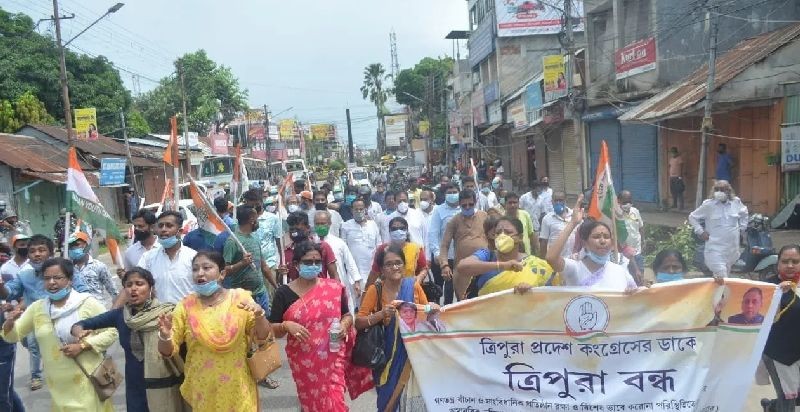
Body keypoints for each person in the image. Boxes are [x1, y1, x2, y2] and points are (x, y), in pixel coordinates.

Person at [156, 251, 270, 412]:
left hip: (238, 385)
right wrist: (165, 336)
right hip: (203, 387)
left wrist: (259, 315)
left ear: (222, 273)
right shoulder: (186, 306)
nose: (199, 273)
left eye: (206, 267)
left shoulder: (240, 299)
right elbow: (167, 351)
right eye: (195, 269)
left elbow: (262, 337)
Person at [1, 257, 118, 411]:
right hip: (57, 387)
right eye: (47, 278)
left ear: (69, 280)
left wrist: (84, 346)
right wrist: (9, 323)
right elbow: (12, 336)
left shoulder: (86, 303)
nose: (51, 282)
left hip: (88, 380)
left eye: (57, 278)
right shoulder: (38, 308)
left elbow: (112, 331)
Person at [269, 241, 373, 411]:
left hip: (333, 358)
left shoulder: (333, 288)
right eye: (308, 262)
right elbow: (271, 329)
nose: (313, 265)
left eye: (317, 262)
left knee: (335, 401)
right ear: (296, 264)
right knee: (311, 403)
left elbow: (347, 315)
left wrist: (344, 325)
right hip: (303, 361)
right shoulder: (283, 293)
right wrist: (286, 325)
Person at [71, 267, 185, 412]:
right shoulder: (119, 315)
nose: (133, 289)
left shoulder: (167, 314)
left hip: (164, 378)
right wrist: (79, 331)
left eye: (139, 284)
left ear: (150, 287)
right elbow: (81, 324)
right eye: (129, 285)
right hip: (135, 382)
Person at [0, 234, 90, 390]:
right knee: (34, 346)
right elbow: (9, 292)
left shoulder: (67, 270)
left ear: (51, 252)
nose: (37, 254)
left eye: (41, 250)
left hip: (67, 325)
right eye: (32, 251)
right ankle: (36, 376)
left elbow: (84, 294)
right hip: (38, 325)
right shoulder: (24, 276)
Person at [355, 244, 439, 411]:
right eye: (389, 264)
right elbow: (359, 322)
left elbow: (427, 314)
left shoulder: (413, 286)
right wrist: (380, 314)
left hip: (412, 355)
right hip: (386, 357)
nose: (395, 267)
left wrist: (433, 308)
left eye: (398, 262)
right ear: (381, 269)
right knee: (388, 400)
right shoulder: (375, 290)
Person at [545, 197, 637, 291]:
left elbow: (636, 299)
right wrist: (573, 223)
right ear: (585, 243)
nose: (602, 241)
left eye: (606, 237)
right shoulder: (575, 268)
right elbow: (551, 258)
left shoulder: (619, 271)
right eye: (596, 237)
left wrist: (632, 295)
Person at [458, 216, 559, 297]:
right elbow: (462, 267)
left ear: (519, 237)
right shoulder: (487, 255)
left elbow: (549, 298)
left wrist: (532, 292)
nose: (502, 236)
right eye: (498, 233)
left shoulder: (534, 265)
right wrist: (502, 265)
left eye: (508, 232)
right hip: (486, 319)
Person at [762, 244, 800, 411]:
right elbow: (761, 316)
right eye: (785, 261)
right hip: (779, 354)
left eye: (795, 261)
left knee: (796, 396)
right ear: (778, 264)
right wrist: (778, 293)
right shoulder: (769, 287)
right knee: (788, 399)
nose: (790, 265)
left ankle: (771, 407)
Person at [223, 206, 278, 317]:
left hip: (261, 294)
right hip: (242, 298)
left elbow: (264, 266)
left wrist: (276, 287)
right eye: (257, 218)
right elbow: (224, 271)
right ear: (252, 220)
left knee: (265, 329)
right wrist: (242, 263)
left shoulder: (255, 238)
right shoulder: (232, 241)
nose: (258, 221)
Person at [688, 180, 748, 281]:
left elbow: (744, 213)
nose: (719, 192)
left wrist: (742, 229)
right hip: (714, 249)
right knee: (722, 275)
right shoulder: (709, 205)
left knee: (723, 278)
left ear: (728, 191)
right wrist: (700, 231)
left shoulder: (736, 202)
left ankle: (719, 296)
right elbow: (692, 217)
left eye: (722, 189)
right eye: (717, 189)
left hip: (732, 250)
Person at [138, 211, 198, 304]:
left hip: (187, 315)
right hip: (159, 316)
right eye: (161, 226)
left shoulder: (193, 257)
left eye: (169, 226)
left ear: (180, 231)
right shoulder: (148, 258)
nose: (163, 229)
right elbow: (137, 281)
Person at [440, 189, 489, 300]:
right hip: (463, 271)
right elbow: (444, 245)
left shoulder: (484, 216)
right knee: (465, 304)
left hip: (483, 267)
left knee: (484, 302)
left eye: (470, 204)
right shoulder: (454, 221)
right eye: (464, 205)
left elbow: (493, 237)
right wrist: (444, 265)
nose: (467, 207)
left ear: (475, 202)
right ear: (459, 204)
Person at [314, 210, 363, 313]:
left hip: (340, 283)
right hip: (318, 287)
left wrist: (356, 282)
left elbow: (350, 262)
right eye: (317, 224)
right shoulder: (311, 243)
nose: (320, 226)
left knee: (345, 312)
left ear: (329, 224)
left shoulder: (339, 242)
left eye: (323, 223)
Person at [367, 216, 428, 286]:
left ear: (407, 231)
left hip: (410, 289)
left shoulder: (416, 249)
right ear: (389, 231)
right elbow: (375, 272)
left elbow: (424, 269)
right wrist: (366, 290)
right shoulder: (383, 249)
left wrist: (419, 278)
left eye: (402, 228)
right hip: (388, 289)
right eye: (394, 229)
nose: (398, 231)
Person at [279, 211, 339, 282]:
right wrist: (281, 273)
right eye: (292, 230)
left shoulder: (322, 247)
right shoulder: (286, 252)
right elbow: (282, 281)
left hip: (320, 291)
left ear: (308, 228)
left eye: (298, 229)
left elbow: (334, 276)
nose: (294, 233)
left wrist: (340, 292)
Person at [69, 231, 118, 307]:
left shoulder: (99, 266)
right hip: (76, 311)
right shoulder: (67, 268)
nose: (74, 248)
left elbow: (113, 290)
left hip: (97, 310)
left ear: (86, 245)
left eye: (77, 245)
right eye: (71, 246)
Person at [341, 199, 382, 286]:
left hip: (372, 273)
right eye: (356, 209)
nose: (359, 211)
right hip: (354, 275)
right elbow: (344, 250)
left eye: (361, 209)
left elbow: (379, 247)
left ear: (365, 210)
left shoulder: (373, 224)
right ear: (351, 210)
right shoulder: (345, 226)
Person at [539, 191, 577, 259]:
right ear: (552, 202)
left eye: (561, 200)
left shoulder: (574, 216)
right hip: (555, 259)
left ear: (565, 201)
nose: (558, 203)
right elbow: (544, 242)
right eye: (556, 200)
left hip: (573, 258)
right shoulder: (547, 219)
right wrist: (543, 260)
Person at [618, 190, 645, 275]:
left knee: (640, 274)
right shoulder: (616, 215)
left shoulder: (635, 211)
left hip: (637, 249)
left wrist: (643, 240)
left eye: (629, 201)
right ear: (619, 201)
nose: (627, 204)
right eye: (625, 202)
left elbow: (641, 227)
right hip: (623, 252)